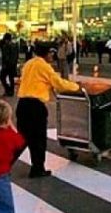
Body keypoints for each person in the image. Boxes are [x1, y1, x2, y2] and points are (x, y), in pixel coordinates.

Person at [16, 42, 80, 178]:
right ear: (46, 53)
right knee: (38, 140)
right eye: (52, 53)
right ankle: (37, 169)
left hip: (22, 105)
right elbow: (59, 84)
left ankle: (2, 165)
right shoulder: (44, 67)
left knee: (22, 138)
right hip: (35, 107)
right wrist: (76, 87)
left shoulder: (29, 64)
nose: (53, 55)